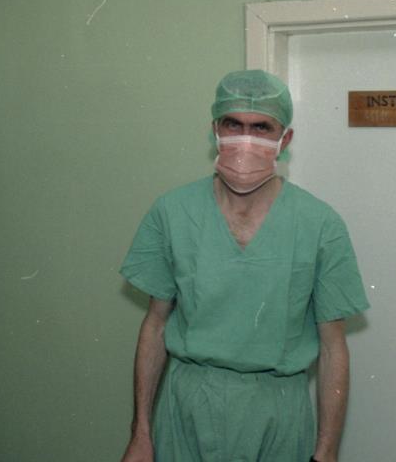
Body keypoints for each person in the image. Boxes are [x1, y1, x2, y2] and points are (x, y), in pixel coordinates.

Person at [120, 69, 369, 462]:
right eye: (233, 124)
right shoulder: (172, 212)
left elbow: (333, 347)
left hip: (278, 413)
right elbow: (155, 325)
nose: (246, 138)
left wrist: (326, 453)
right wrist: (141, 435)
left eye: (262, 127)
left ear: (285, 139)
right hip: (186, 408)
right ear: (215, 130)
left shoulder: (319, 224)